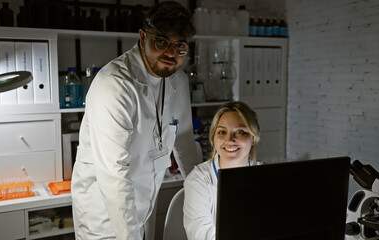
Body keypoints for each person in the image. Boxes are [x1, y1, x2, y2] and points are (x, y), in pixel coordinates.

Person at [71, 1, 201, 239]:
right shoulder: (114, 84)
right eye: (161, 41)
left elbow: (183, 139)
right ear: (143, 37)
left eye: (180, 46)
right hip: (103, 215)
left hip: (144, 204)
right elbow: (114, 173)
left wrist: (201, 192)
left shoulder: (177, 80)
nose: (171, 53)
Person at [183, 101, 261, 240]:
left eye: (240, 132)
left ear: (253, 138)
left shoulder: (265, 176)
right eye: (222, 132)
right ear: (213, 138)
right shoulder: (198, 181)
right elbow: (201, 236)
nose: (229, 139)